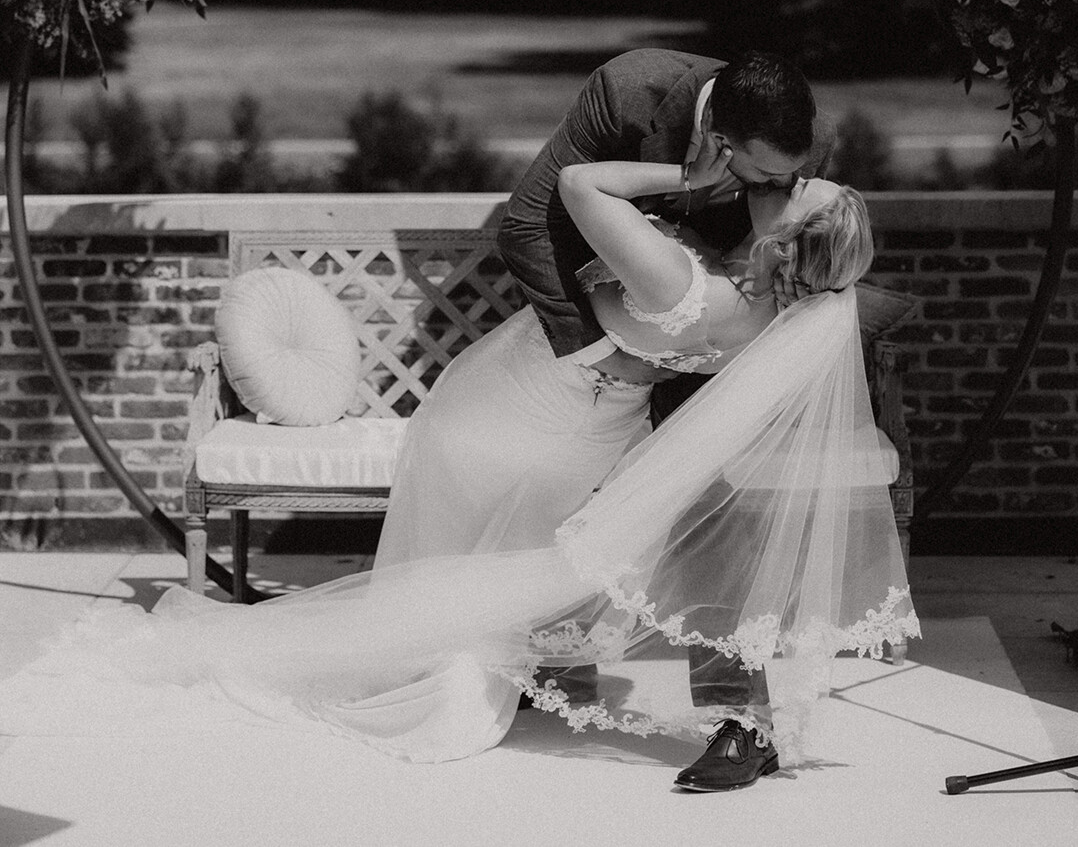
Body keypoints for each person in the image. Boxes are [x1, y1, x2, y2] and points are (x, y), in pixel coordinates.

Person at [0, 152, 917, 775]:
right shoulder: (785, 316)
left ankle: (430, 670)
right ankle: (513, 672)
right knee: (511, 560)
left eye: (793, 188)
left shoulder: (688, 285)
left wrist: (689, 176)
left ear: (783, 239)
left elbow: (580, 184)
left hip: (517, 408)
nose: (784, 178)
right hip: (592, 424)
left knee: (469, 560)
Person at [490, 47, 838, 789]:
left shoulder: (800, 142)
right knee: (563, 491)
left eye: (783, 179)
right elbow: (526, 226)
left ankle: (741, 725)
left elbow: (790, 245)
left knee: (714, 512)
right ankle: (555, 663)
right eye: (759, 177)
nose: (773, 189)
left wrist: (734, 317)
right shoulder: (628, 93)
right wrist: (601, 351)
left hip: (712, 337)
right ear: (718, 139)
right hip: (606, 335)